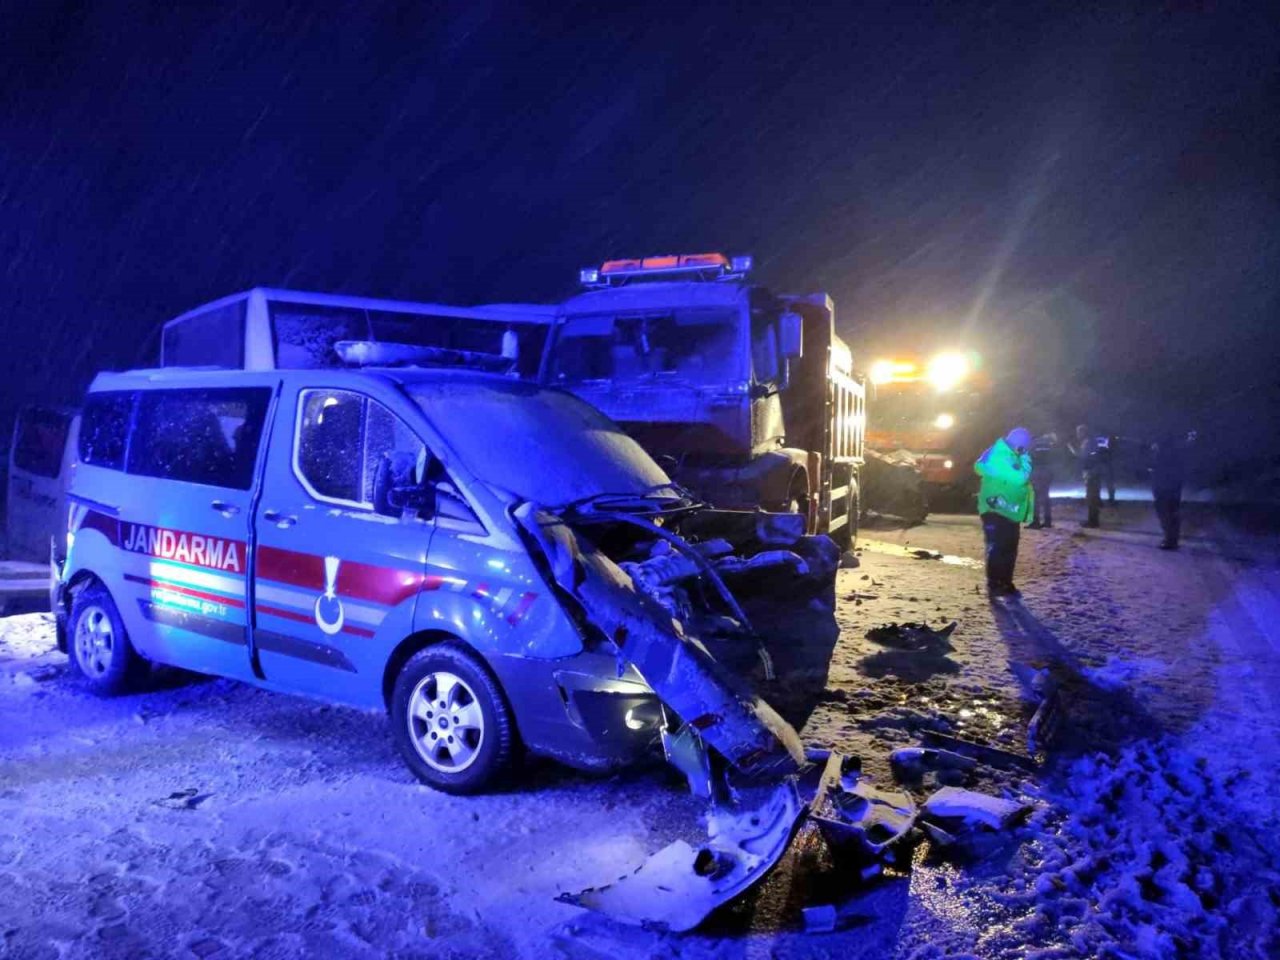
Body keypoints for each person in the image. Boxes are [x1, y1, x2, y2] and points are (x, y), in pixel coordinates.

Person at [974, 426, 1033, 597]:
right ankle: (996, 584)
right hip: (997, 508)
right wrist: (1024, 460)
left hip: (1005, 508)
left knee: (1006, 547)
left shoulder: (999, 452)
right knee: (1000, 547)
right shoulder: (1002, 455)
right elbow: (1021, 477)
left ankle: (1004, 583)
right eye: (1025, 445)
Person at [1150, 433, 1187, 550]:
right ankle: (1172, 539)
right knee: (1173, 514)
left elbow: (1156, 469)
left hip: (1163, 489)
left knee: (1165, 514)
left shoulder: (1161, 455)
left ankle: (1169, 540)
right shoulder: (1177, 454)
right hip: (1174, 488)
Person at [1068, 424, 1102, 527]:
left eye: (1078, 432)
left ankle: (1093, 522)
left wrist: (1071, 448)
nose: (1077, 434)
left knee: (1091, 497)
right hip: (1095, 472)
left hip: (1091, 473)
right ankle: (1093, 520)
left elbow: (1082, 456)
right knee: (1093, 497)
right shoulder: (1093, 441)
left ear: (1083, 432)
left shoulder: (1087, 443)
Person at [1028, 432, 1057, 528]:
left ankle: (1036, 521)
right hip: (1048, 471)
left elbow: (1029, 457)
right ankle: (1048, 521)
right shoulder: (1049, 445)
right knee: (1046, 496)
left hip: (1038, 471)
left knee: (1035, 497)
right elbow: (1054, 458)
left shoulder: (1033, 444)